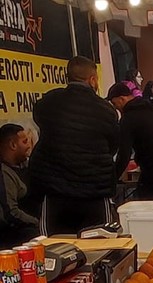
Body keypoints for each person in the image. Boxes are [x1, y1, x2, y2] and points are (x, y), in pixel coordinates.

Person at [30, 56, 119, 236]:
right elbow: (113, 146)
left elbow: (40, 121)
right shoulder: (105, 110)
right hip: (95, 192)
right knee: (101, 247)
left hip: (56, 192)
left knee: (54, 248)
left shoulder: (48, 103)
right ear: (92, 79)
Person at [107, 83, 153, 200]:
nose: (116, 108)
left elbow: (124, 153)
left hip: (151, 169)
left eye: (115, 104)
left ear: (122, 99)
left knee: (147, 203)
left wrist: (113, 180)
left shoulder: (128, 118)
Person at [0, 124, 39, 248]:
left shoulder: (25, 165)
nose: (29, 146)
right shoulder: (4, 173)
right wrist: (37, 222)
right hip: (15, 234)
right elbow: (11, 213)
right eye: (25, 141)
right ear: (13, 145)